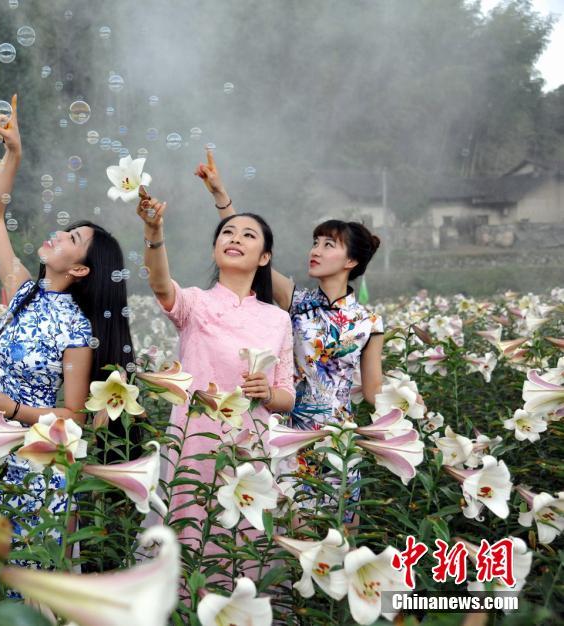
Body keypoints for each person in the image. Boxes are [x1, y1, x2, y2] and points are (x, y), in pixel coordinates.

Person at [0, 95, 135, 562]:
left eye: (73, 239)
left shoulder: (79, 329)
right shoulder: (21, 289)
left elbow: (76, 416)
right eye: (66, 229)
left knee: (29, 586)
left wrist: (13, 408)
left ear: (83, 271)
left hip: (41, 469)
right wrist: (13, 155)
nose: (59, 234)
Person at [195, 150, 384, 521]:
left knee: (341, 531)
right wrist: (221, 197)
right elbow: (250, 244)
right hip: (288, 435)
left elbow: (375, 392)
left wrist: (410, 421)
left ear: (351, 262)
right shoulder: (297, 301)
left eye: (329, 245)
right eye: (315, 242)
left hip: (339, 442)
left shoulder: (369, 321)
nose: (316, 250)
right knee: (289, 532)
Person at [135, 186, 295, 555]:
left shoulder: (278, 320)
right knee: (188, 544)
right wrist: (154, 232)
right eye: (227, 232)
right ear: (215, 249)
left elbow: (287, 396)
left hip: (251, 451)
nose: (235, 238)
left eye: (248, 235)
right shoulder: (195, 303)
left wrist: (268, 394)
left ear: (264, 257)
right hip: (194, 444)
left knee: (244, 551)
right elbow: (160, 284)